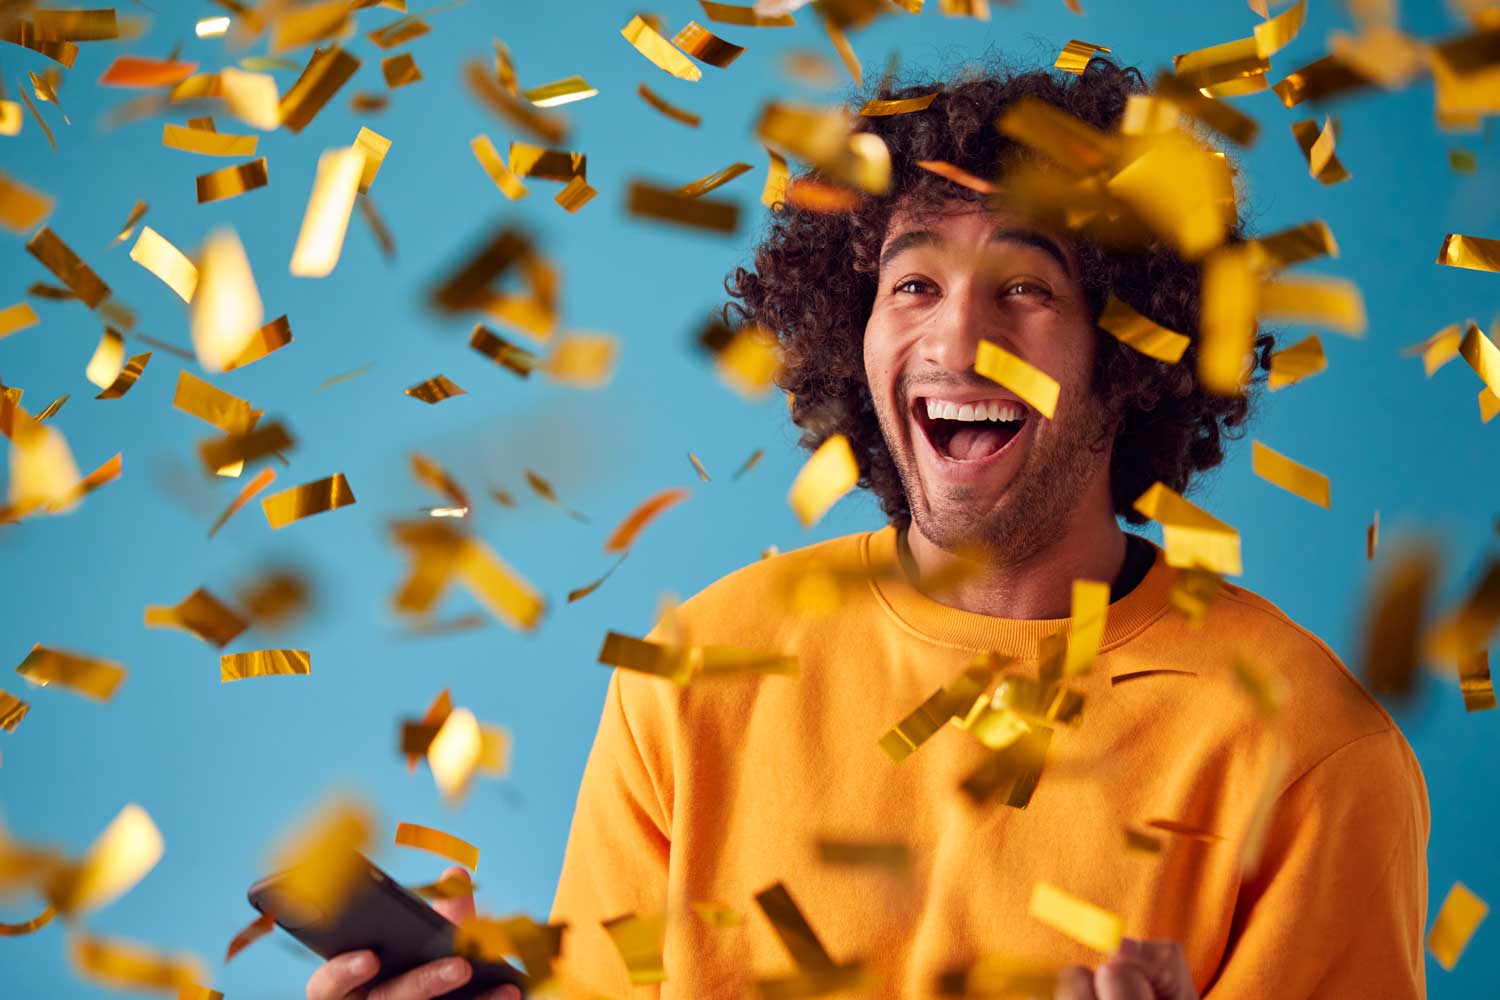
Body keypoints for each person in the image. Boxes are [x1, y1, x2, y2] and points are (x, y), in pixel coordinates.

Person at [308, 60, 1428, 1000]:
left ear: (1130, 354)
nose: (958, 342)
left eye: (1026, 289)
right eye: (914, 286)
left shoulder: (1311, 758)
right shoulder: (695, 670)